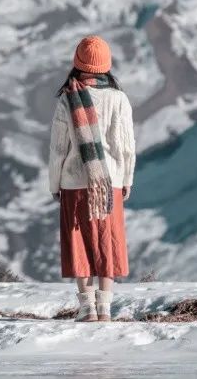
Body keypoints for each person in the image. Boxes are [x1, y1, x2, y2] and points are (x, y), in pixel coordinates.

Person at [48, 34, 136, 323]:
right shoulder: (118, 99)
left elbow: (58, 148)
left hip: (74, 182)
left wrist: (54, 183)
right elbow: (125, 145)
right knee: (107, 241)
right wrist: (127, 179)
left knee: (79, 243)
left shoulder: (67, 99)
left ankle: (87, 308)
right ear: (106, 65)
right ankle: (106, 308)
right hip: (109, 182)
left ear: (77, 63)